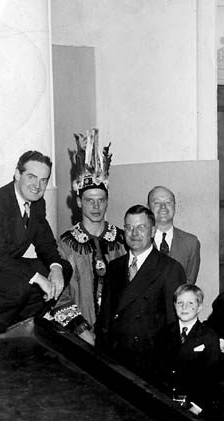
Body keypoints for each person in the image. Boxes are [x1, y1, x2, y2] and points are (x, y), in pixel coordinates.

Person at [0, 150, 72, 343]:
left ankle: (20, 320)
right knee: (21, 286)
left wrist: (56, 268)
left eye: (43, 180)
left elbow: (46, 243)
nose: (37, 186)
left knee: (64, 268)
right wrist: (37, 278)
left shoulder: (37, 203)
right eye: (31, 177)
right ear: (17, 174)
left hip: (5, 269)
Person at [49, 130, 125, 345]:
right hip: (80, 336)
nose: (96, 206)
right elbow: (59, 294)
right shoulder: (66, 244)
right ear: (78, 202)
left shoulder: (122, 240)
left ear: (107, 201)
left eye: (101, 200)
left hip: (119, 335)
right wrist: (82, 330)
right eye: (89, 200)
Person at [96, 205, 187, 379]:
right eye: (129, 227)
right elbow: (105, 319)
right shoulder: (114, 267)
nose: (134, 233)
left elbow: (174, 325)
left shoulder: (169, 269)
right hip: (115, 361)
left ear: (152, 231)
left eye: (141, 227)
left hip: (151, 365)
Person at [153, 284, 221, 420]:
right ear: (174, 305)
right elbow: (156, 370)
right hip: (166, 400)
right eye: (180, 303)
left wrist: (196, 408)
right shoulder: (163, 334)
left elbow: (212, 377)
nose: (184, 308)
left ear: (199, 307)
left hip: (195, 405)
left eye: (190, 303)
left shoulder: (209, 337)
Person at [147, 185, 201, 284]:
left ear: (174, 206)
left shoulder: (191, 243)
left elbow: (189, 284)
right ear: (148, 207)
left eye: (168, 202)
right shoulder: (139, 240)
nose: (163, 207)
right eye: (157, 203)